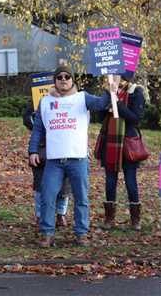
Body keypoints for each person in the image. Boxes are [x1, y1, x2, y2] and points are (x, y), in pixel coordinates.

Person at [28, 65, 118, 247]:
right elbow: (38, 129)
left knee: (81, 197)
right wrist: (33, 151)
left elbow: (101, 104)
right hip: (54, 160)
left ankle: (81, 233)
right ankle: (47, 234)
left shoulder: (82, 98)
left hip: (77, 158)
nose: (63, 79)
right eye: (59, 77)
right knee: (47, 196)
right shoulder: (44, 102)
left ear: (72, 80)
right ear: (54, 80)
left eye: (67, 76)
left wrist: (110, 92)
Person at [96, 75, 146, 231]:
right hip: (110, 142)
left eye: (118, 75)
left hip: (128, 144)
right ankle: (109, 219)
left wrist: (117, 103)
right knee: (110, 181)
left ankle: (135, 220)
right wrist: (107, 102)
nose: (115, 78)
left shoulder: (135, 92)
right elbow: (99, 117)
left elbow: (135, 118)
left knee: (130, 181)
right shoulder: (108, 92)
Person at [23, 99, 70, 228]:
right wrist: (38, 123)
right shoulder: (36, 99)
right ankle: (40, 215)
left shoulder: (66, 99)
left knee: (64, 185)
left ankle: (61, 214)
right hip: (41, 148)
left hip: (63, 146)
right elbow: (26, 119)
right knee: (40, 184)